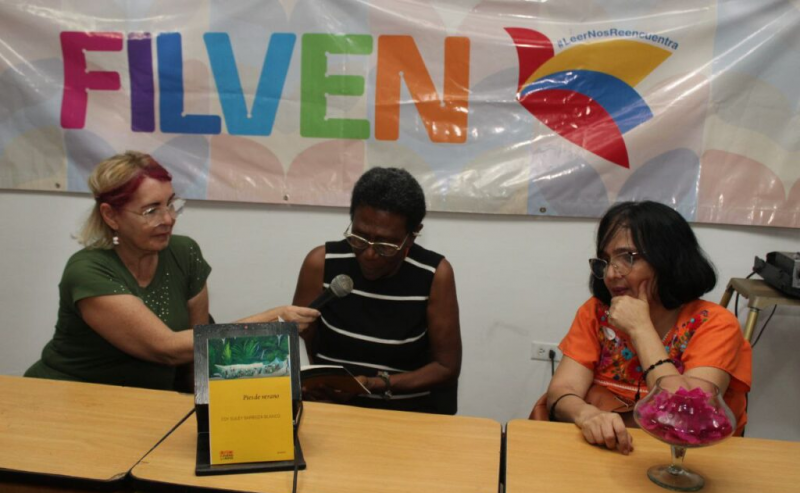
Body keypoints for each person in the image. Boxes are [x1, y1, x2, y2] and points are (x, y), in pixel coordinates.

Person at [25, 151, 319, 390]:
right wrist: (273, 318)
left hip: (148, 403)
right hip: (67, 395)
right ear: (111, 216)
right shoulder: (88, 271)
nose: (168, 219)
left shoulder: (183, 252)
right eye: (151, 210)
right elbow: (165, 348)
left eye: (170, 204)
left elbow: (196, 349)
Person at [545, 201, 751, 454]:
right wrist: (587, 415)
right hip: (608, 451)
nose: (611, 274)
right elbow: (562, 390)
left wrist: (641, 329)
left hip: (685, 459)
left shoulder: (715, 323)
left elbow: (689, 416)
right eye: (606, 260)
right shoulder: (596, 313)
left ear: (668, 260)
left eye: (627, 258)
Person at [292, 167, 461, 414]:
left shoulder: (434, 275)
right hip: (330, 409)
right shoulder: (322, 263)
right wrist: (310, 385)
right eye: (359, 238)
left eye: (386, 244)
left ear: (412, 236)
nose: (369, 254)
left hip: (402, 413)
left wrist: (373, 385)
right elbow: (297, 341)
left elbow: (446, 367)